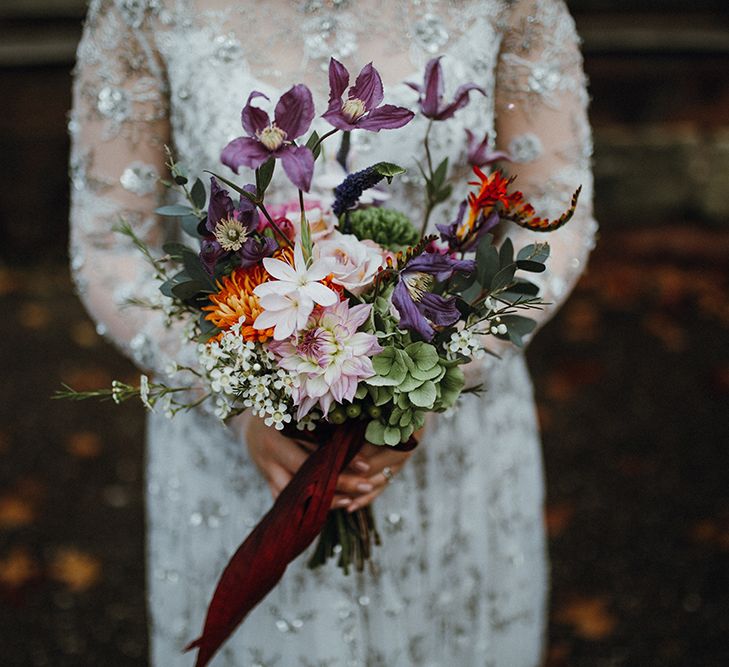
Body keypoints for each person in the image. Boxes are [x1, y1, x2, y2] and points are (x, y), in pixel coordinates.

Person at [69, 0, 597, 664]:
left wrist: (438, 377)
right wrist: (239, 400)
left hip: (445, 438)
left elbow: (552, 212)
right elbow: (111, 243)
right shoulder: (143, 9)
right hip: (239, 457)